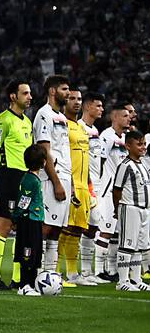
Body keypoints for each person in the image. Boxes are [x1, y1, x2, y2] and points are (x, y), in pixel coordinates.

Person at [0, 80, 33, 290]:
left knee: (21, 226)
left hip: (24, 177)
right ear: (13, 96)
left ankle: (17, 278)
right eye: (25, 93)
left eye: (30, 93)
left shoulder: (27, 122)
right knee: (4, 226)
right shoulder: (3, 120)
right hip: (9, 176)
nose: (30, 97)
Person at [32, 74, 71, 279]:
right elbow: (44, 152)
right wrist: (56, 182)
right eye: (64, 89)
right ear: (52, 91)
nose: (68, 93)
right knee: (45, 228)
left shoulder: (62, 118)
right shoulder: (44, 114)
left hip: (64, 178)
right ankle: (36, 272)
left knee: (56, 230)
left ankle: (49, 273)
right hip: (50, 180)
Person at [92, 102, 134, 281]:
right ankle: (98, 270)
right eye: (125, 115)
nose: (129, 118)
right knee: (106, 231)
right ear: (115, 117)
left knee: (116, 232)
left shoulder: (125, 138)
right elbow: (99, 162)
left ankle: (111, 269)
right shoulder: (106, 137)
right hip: (109, 191)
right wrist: (101, 186)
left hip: (122, 192)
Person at [60, 88, 91, 286]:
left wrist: (90, 187)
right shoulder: (62, 125)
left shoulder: (81, 128)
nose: (77, 102)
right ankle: (54, 272)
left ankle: (72, 273)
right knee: (64, 229)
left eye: (79, 99)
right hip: (69, 184)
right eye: (72, 98)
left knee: (77, 231)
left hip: (83, 186)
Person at [113, 129, 150, 291]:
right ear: (128, 146)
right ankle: (122, 281)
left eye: (144, 144)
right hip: (129, 208)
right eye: (139, 144)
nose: (143, 147)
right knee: (127, 245)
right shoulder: (125, 165)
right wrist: (118, 208)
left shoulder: (143, 165)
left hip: (144, 209)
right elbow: (117, 189)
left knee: (138, 246)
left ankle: (135, 279)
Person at [74, 91, 104, 285]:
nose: (101, 109)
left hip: (96, 185)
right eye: (98, 105)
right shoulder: (79, 128)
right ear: (87, 107)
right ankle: (72, 271)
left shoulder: (95, 131)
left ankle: (86, 271)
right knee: (76, 227)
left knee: (93, 226)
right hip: (83, 184)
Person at [13, 144, 47, 296]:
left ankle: (31, 284)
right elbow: (23, 202)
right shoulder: (30, 180)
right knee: (28, 251)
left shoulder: (33, 178)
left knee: (35, 253)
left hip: (35, 220)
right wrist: (17, 218)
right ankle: (24, 285)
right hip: (28, 221)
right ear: (43, 162)